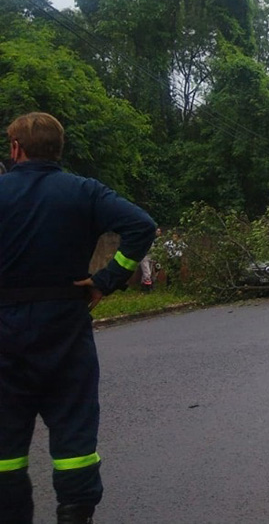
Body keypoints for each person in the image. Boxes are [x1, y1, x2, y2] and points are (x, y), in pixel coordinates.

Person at [0, 112, 156, 524]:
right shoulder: (83, 191)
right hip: (65, 326)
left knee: (4, 445)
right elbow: (141, 226)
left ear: (15, 148)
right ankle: (75, 512)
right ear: (59, 149)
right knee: (73, 430)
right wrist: (107, 279)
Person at [139, 227, 162, 292]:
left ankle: (144, 287)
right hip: (145, 257)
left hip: (152, 257)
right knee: (147, 273)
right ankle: (146, 288)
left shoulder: (156, 241)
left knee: (149, 273)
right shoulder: (144, 240)